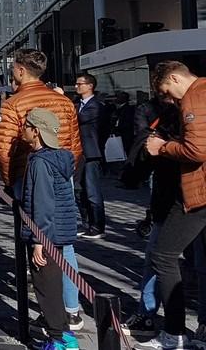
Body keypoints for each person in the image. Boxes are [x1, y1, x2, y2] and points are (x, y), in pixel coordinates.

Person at [0, 48, 83, 331]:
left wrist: (9, 181)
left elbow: (5, 148)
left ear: (20, 71)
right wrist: (69, 169)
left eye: (13, 69)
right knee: (65, 243)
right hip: (62, 169)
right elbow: (75, 142)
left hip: (28, 173)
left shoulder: (14, 104)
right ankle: (72, 308)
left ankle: (51, 312)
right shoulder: (64, 101)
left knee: (38, 240)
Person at [139, 61, 206, 349]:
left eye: (168, 92)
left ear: (176, 78)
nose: (170, 100)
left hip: (199, 192)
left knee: (163, 256)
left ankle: (175, 333)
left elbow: (197, 149)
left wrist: (162, 147)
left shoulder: (194, 96)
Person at [20, 107, 81, 350]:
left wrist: (38, 240)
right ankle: (62, 335)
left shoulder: (41, 163)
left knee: (46, 288)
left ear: (36, 132)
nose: (22, 130)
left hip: (46, 233)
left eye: (25, 126)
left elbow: (43, 203)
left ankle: (59, 339)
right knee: (52, 285)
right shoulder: (61, 157)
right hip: (59, 230)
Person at [73, 73, 108, 239]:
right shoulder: (77, 104)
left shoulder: (96, 106)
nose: (77, 87)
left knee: (92, 191)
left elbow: (79, 118)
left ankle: (97, 226)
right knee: (79, 190)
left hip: (91, 153)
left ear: (90, 86)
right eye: (77, 84)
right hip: (78, 152)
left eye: (80, 84)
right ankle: (87, 224)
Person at [115, 91, 137, 157]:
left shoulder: (128, 109)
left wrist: (119, 129)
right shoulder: (118, 109)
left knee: (127, 151)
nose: (116, 99)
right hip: (122, 134)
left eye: (118, 97)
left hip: (126, 134)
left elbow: (127, 123)